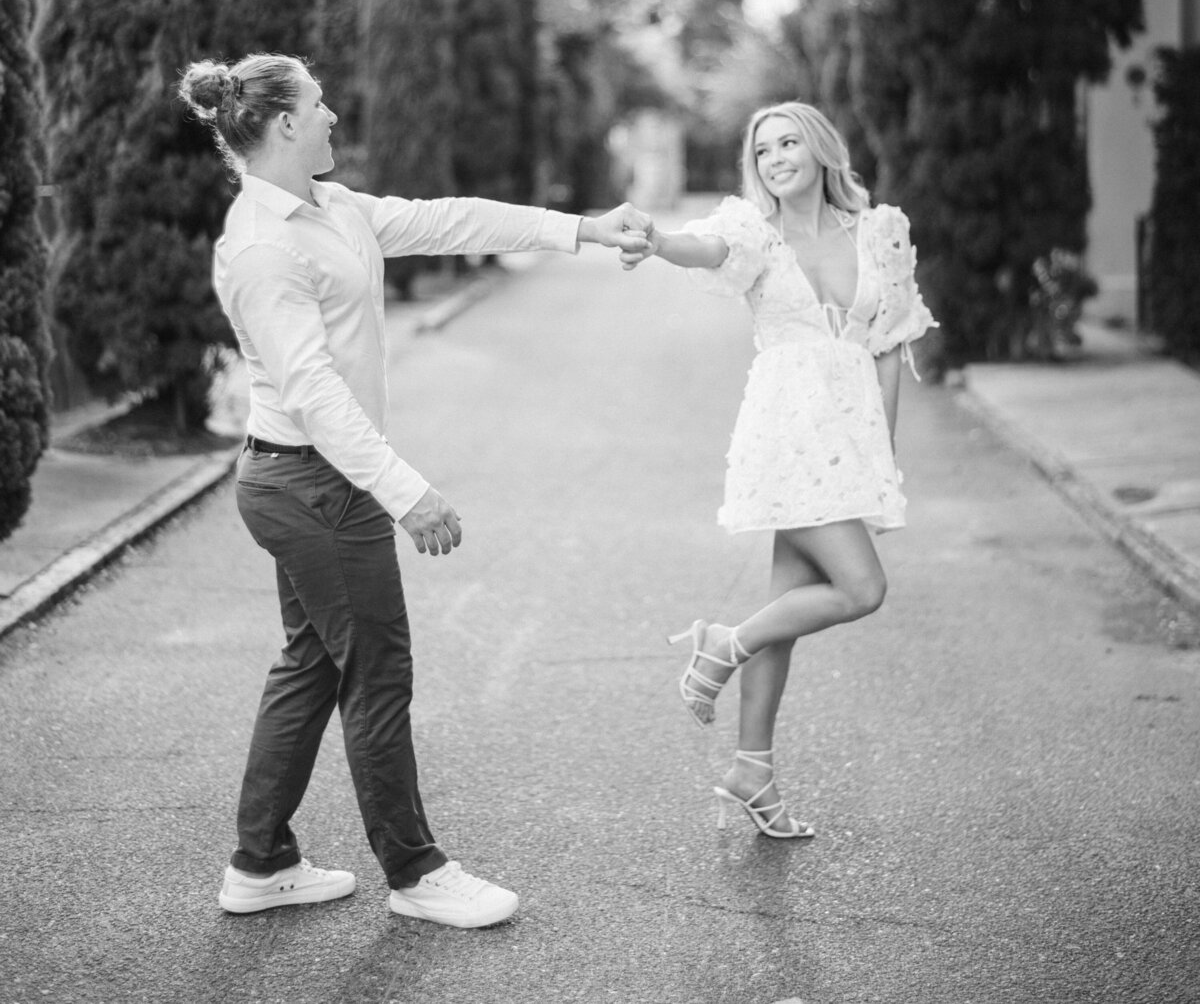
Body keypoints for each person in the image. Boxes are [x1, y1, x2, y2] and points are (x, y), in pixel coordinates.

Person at [177, 52, 650, 928]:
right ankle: (416, 872)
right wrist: (405, 491)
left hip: (314, 480)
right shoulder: (260, 247)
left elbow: (446, 217)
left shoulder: (336, 208)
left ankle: (262, 862)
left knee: (315, 664)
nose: (331, 119)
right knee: (378, 674)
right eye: (318, 106)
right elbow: (313, 394)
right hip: (311, 484)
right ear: (283, 123)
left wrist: (582, 228)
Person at [620, 101, 934, 840]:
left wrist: (879, 462)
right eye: (763, 151)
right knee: (862, 588)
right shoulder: (753, 231)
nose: (776, 158)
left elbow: (888, 347)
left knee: (786, 606)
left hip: (847, 440)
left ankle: (751, 768)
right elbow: (706, 250)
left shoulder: (882, 232)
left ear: (821, 147)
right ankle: (722, 643)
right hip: (786, 431)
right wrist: (661, 240)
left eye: (790, 142)